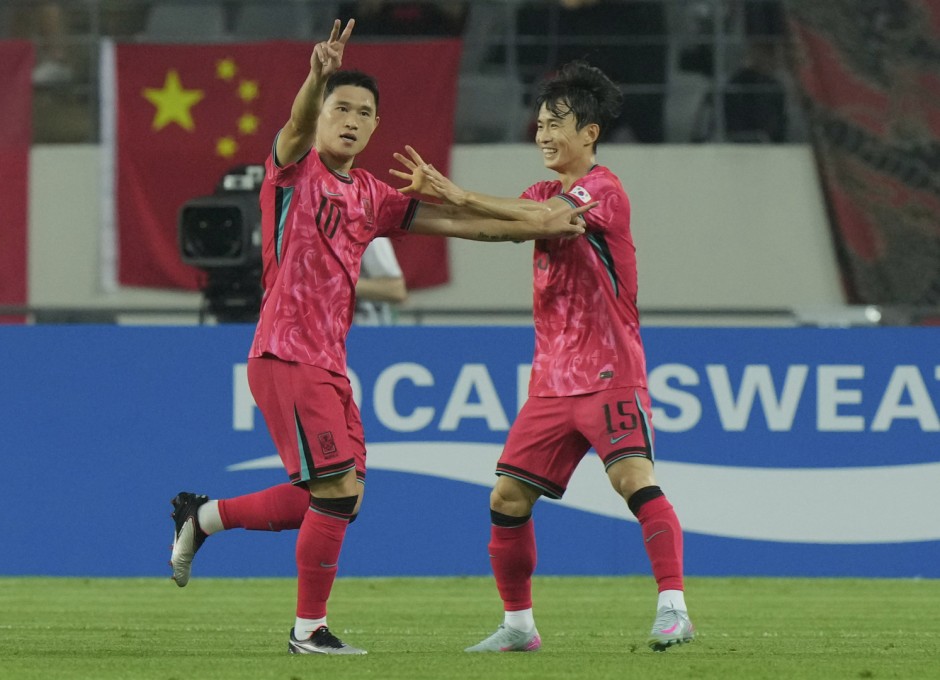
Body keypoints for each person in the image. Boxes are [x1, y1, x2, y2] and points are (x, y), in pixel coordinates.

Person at [168, 18, 594, 656]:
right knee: (335, 489)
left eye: (364, 112)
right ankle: (307, 631)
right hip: (284, 353)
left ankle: (202, 517)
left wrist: (532, 227)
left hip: (330, 364)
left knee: (331, 496)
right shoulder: (292, 172)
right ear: (320, 117)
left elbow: (455, 223)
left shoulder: (370, 195)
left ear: (374, 128)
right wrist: (317, 75)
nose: (350, 118)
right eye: (340, 107)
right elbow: (292, 123)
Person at [391, 60, 695, 653]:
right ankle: (519, 627)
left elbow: (552, 221)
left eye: (557, 123)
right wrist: (392, 218)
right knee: (507, 498)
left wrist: (459, 192)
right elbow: (497, 226)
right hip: (552, 384)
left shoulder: (603, 190)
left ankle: (674, 608)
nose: (544, 134)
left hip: (610, 373)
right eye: (538, 125)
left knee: (633, 480)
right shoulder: (537, 194)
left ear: (590, 133)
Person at [355, 237, 407, 325]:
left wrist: (342, 285)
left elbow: (396, 290)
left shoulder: (370, 235)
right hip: (329, 330)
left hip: (368, 330)